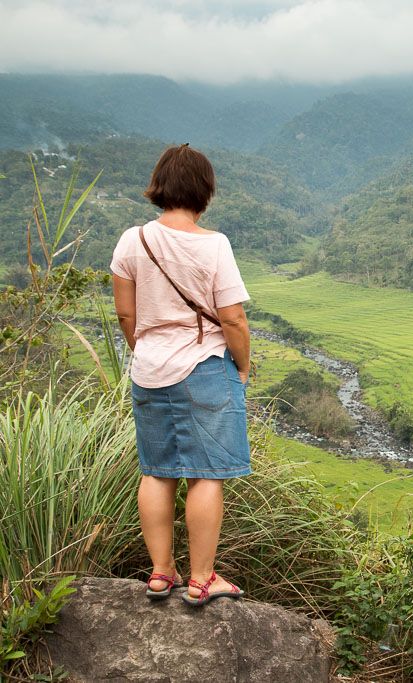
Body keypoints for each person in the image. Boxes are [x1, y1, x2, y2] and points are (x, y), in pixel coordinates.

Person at [110, 143, 251, 607]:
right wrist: (243, 366)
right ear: (204, 190)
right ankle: (202, 578)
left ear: (159, 187)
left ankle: (160, 573)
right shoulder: (213, 244)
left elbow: (126, 317)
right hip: (204, 367)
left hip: (148, 369)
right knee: (206, 474)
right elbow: (232, 319)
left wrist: (149, 350)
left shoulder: (133, 240)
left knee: (156, 471)